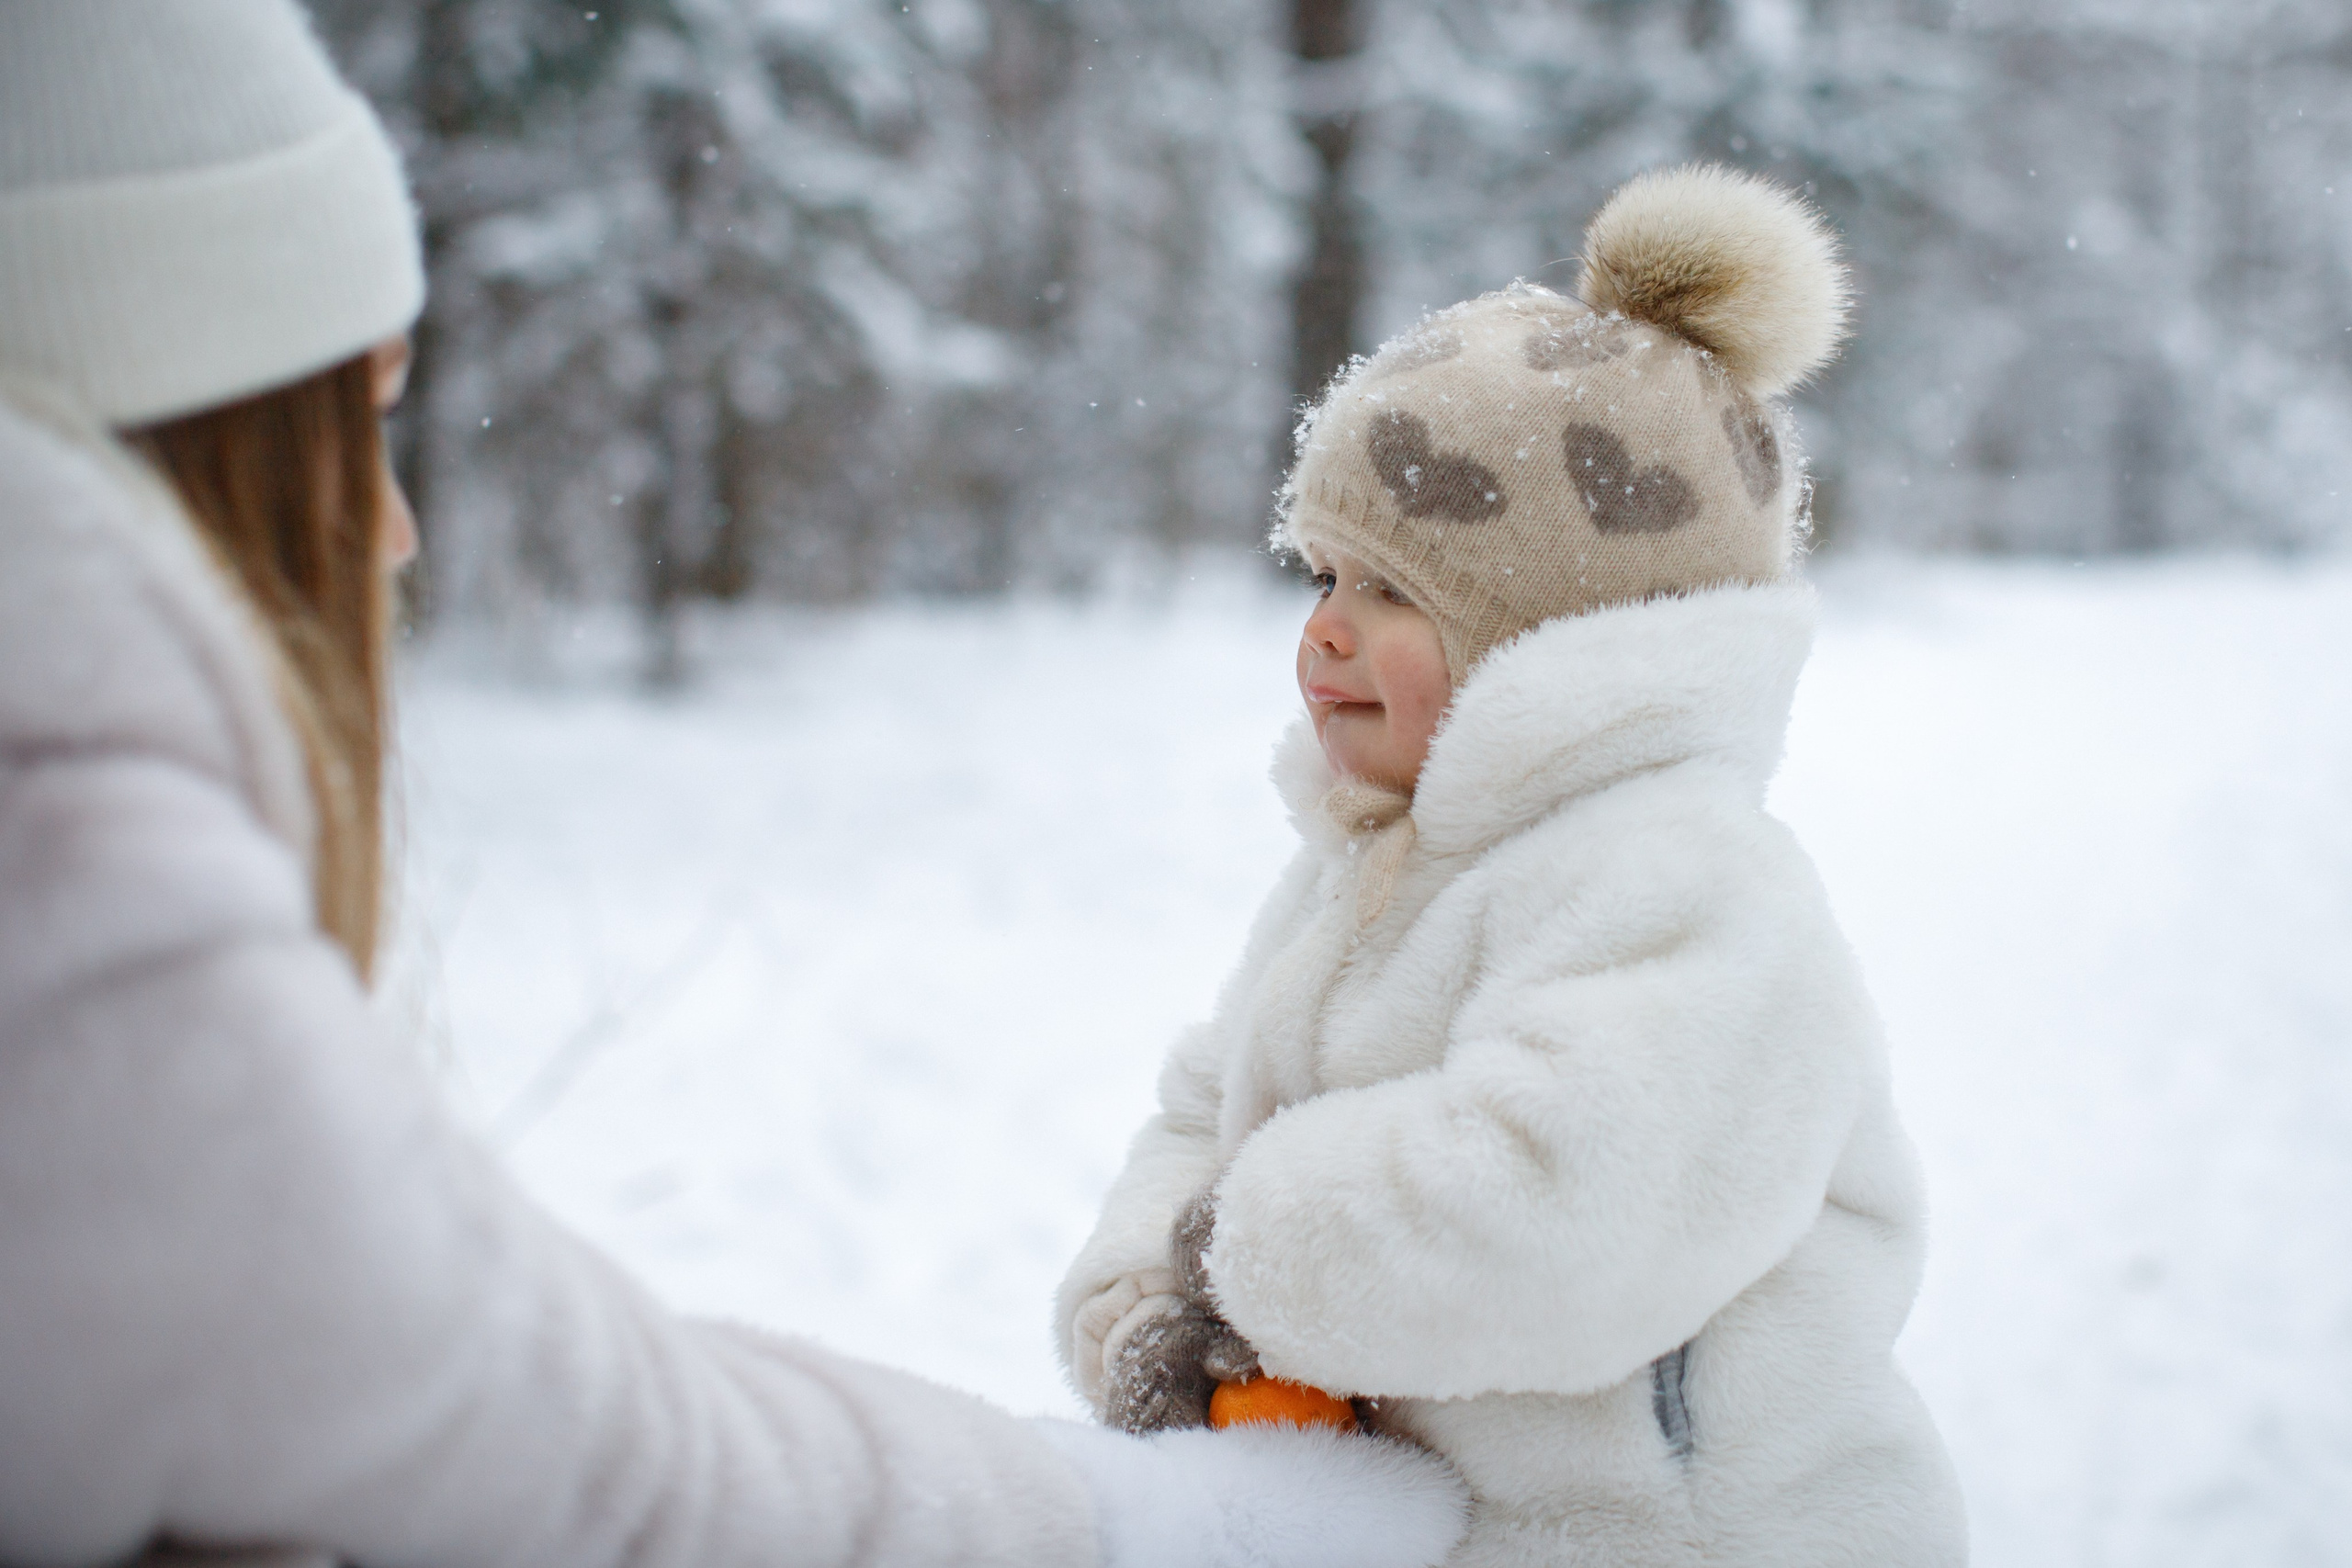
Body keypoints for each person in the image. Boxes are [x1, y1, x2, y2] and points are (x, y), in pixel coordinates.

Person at [0, 5, 1471, 1565]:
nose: (398, 530)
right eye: (353, 425)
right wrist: (1164, 1517)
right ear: (176, 427)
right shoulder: (62, 914)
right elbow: (596, 1473)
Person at [1056, 165, 1971, 1563]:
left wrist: (1242, 1260)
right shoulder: (1364, 871)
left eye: (1394, 593)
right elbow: (1208, 1108)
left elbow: (1566, 1207)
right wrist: (1150, 1309)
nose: (1324, 638)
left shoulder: (1692, 886)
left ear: (1558, 638)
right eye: (1320, 579)